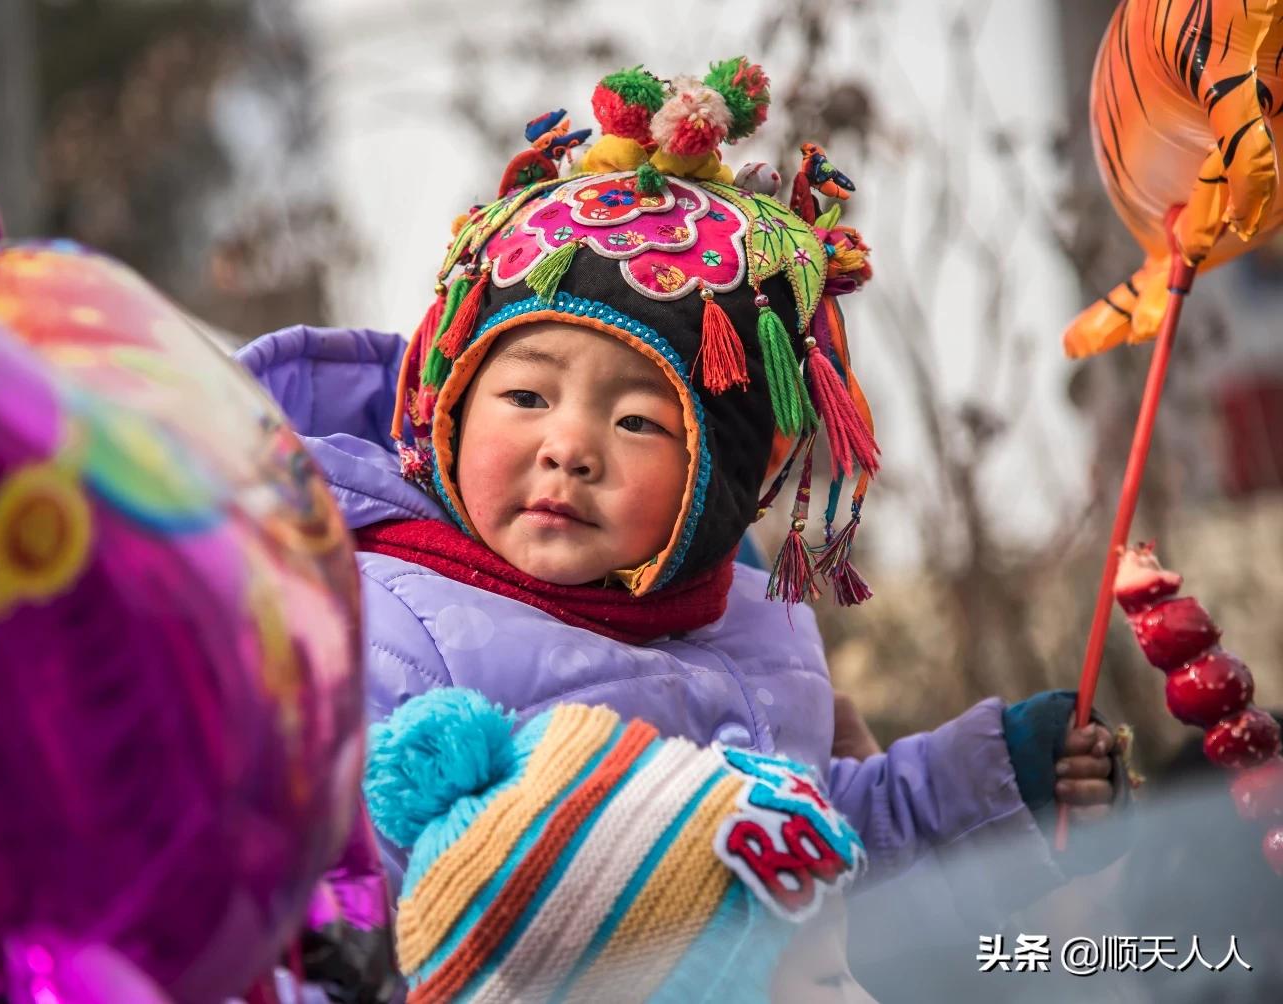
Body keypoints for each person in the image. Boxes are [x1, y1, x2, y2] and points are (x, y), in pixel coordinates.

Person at [239, 58, 1126, 992]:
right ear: (449, 409)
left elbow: (814, 853)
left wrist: (992, 782)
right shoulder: (378, 628)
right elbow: (315, 922)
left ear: (718, 482)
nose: (569, 449)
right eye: (527, 397)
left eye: (637, 422)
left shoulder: (754, 631)